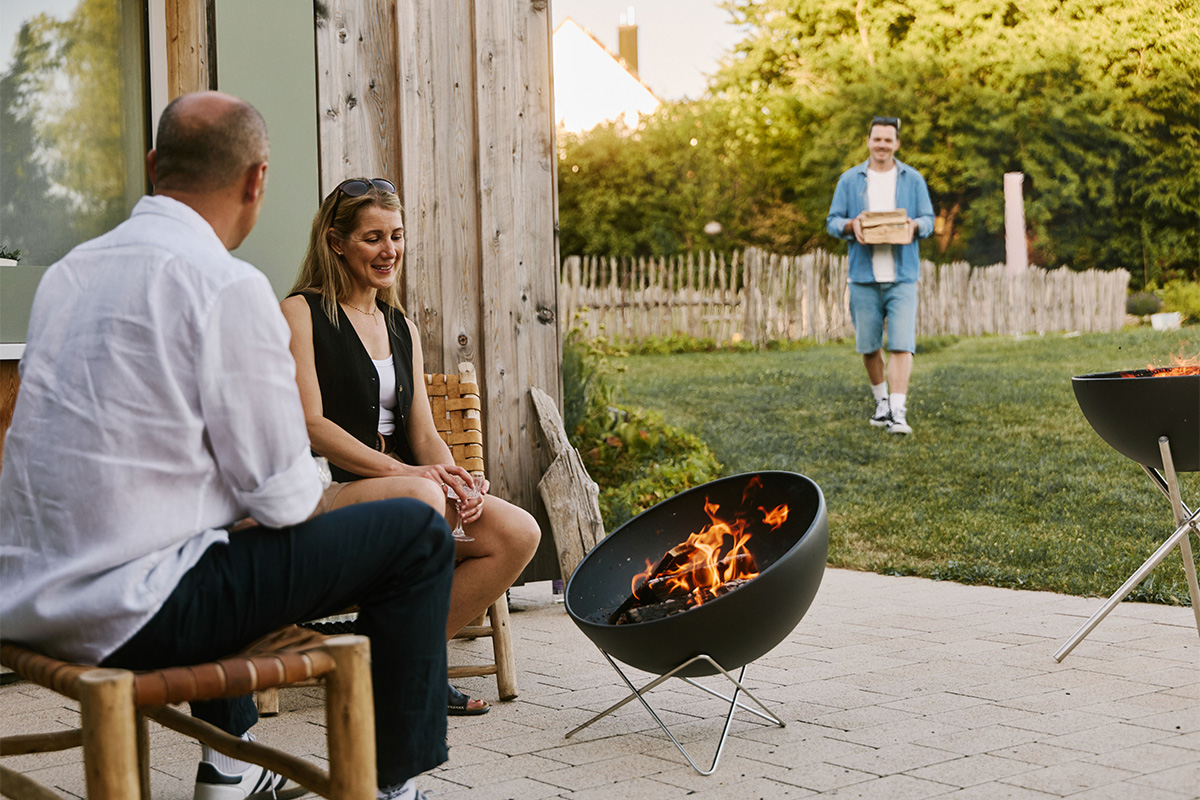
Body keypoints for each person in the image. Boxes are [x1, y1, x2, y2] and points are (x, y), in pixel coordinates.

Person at [0, 92, 452, 800]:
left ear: (154, 167)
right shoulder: (224, 285)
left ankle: (228, 770)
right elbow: (285, 497)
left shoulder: (68, 274)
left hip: (25, 597)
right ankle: (395, 785)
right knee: (418, 531)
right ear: (256, 181)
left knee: (222, 535)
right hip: (134, 613)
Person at [280, 178, 541, 716]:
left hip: (399, 490)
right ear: (336, 242)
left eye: (396, 236)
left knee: (517, 532)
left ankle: (399, 659)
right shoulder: (301, 312)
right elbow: (310, 424)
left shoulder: (399, 325)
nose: (389, 250)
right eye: (372, 237)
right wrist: (409, 477)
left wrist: (457, 478)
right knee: (420, 501)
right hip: (323, 492)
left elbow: (421, 431)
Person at [826, 115, 934, 435]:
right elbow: (832, 221)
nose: (882, 145)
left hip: (902, 276)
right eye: (877, 139)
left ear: (897, 144)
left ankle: (898, 412)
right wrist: (850, 225)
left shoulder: (913, 180)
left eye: (889, 140)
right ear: (869, 141)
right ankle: (881, 402)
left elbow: (928, 219)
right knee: (869, 345)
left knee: (902, 344)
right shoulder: (849, 181)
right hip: (863, 277)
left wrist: (914, 225)